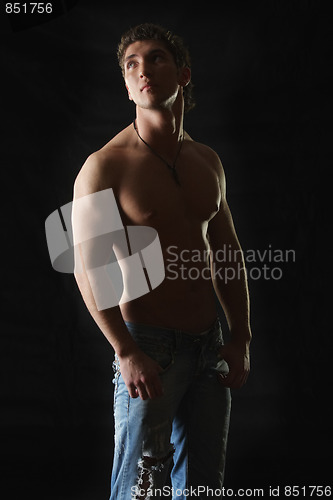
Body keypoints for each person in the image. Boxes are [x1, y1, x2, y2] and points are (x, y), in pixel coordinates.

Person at [73, 23, 251, 500]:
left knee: (204, 489)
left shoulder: (207, 161)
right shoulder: (106, 164)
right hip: (148, 347)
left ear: (184, 74)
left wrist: (240, 337)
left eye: (156, 58)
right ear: (126, 85)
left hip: (208, 345)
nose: (143, 69)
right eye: (131, 64)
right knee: (141, 491)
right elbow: (86, 266)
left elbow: (227, 252)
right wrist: (125, 350)